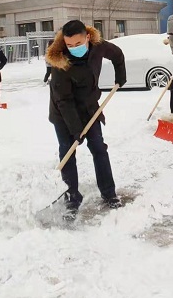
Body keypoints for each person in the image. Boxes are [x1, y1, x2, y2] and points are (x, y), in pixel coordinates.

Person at [46, 19, 127, 215]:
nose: (73, 48)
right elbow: (63, 100)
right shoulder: (60, 63)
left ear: (88, 37)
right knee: (68, 153)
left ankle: (109, 194)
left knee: (99, 148)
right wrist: (75, 129)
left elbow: (117, 54)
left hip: (90, 109)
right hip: (63, 113)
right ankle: (72, 199)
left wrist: (120, 75)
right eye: (69, 45)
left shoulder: (98, 47)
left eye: (78, 44)